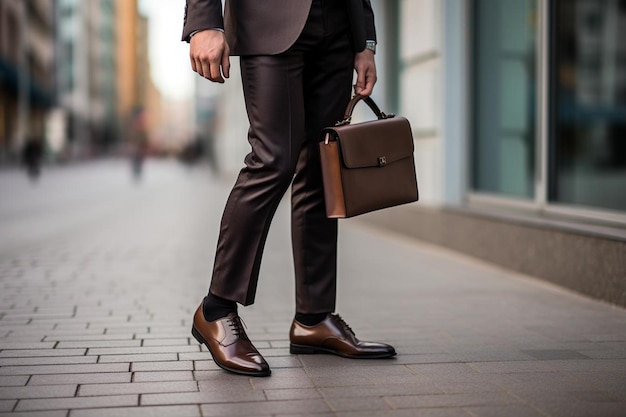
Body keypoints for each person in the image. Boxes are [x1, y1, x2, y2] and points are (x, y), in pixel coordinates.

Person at [183, 0, 396, 377]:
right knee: (272, 160)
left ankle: (313, 318)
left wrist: (365, 42)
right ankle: (216, 309)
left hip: (337, 27)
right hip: (267, 21)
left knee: (320, 168)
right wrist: (203, 22)